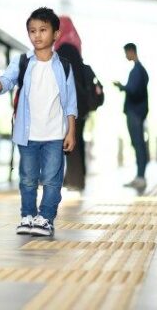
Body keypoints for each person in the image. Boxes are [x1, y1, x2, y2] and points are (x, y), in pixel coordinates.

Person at [0, 7, 77, 238]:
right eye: (32, 30)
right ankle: (28, 216)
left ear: (55, 34)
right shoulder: (22, 61)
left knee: (53, 182)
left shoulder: (63, 66)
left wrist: (70, 132)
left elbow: (71, 105)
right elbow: (6, 81)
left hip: (54, 135)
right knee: (27, 180)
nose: (37, 35)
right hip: (27, 135)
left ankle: (45, 218)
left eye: (43, 30)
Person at [53, 16, 87, 190]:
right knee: (76, 139)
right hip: (80, 103)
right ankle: (75, 179)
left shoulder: (64, 49)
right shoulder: (75, 48)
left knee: (69, 140)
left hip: (70, 102)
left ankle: (74, 181)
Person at [113, 43, 149, 189]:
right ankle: (139, 176)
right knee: (137, 144)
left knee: (139, 144)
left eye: (126, 53)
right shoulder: (139, 70)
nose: (125, 56)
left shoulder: (137, 71)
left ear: (131, 51)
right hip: (137, 112)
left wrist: (122, 87)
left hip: (135, 112)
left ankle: (141, 177)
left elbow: (134, 91)